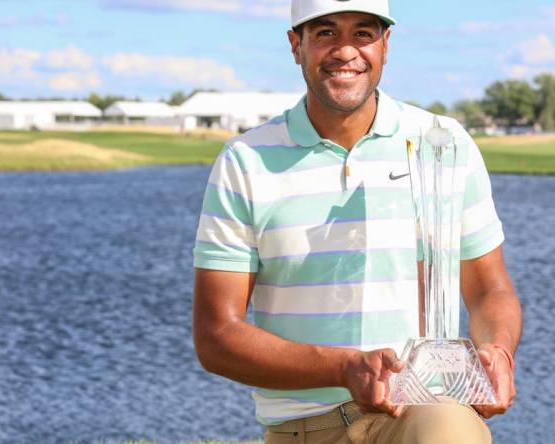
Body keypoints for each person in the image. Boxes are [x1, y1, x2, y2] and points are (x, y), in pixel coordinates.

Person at [192, 1, 522, 442]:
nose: (346, 51)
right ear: (296, 45)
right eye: (326, 33)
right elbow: (216, 337)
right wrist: (343, 367)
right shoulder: (246, 161)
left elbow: (488, 289)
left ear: (385, 45)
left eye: (363, 34)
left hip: (423, 412)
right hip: (303, 429)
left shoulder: (443, 142)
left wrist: (497, 350)